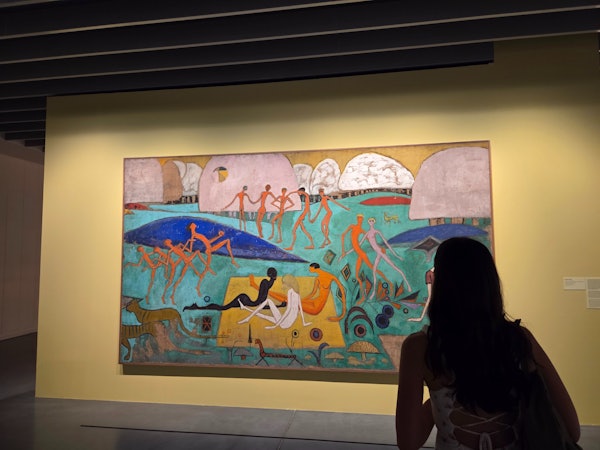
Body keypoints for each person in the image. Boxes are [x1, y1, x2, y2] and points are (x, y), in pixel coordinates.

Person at [395, 237, 580, 450]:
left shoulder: (419, 347)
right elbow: (572, 430)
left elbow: (408, 442)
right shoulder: (519, 339)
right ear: (489, 283)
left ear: (442, 284)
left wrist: (438, 401)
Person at [238, 274, 311, 329]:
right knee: (264, 316)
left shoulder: (290, 292)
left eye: (284, 283)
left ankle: (248, 318)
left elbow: (288, 310)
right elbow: (300, 308)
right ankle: (244, 308)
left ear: (288, 283)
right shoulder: (297, 294)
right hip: (287, 323)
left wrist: (275, 326)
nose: (283, 285)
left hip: (284, 322)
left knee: (268, 301)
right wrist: (304, 322)